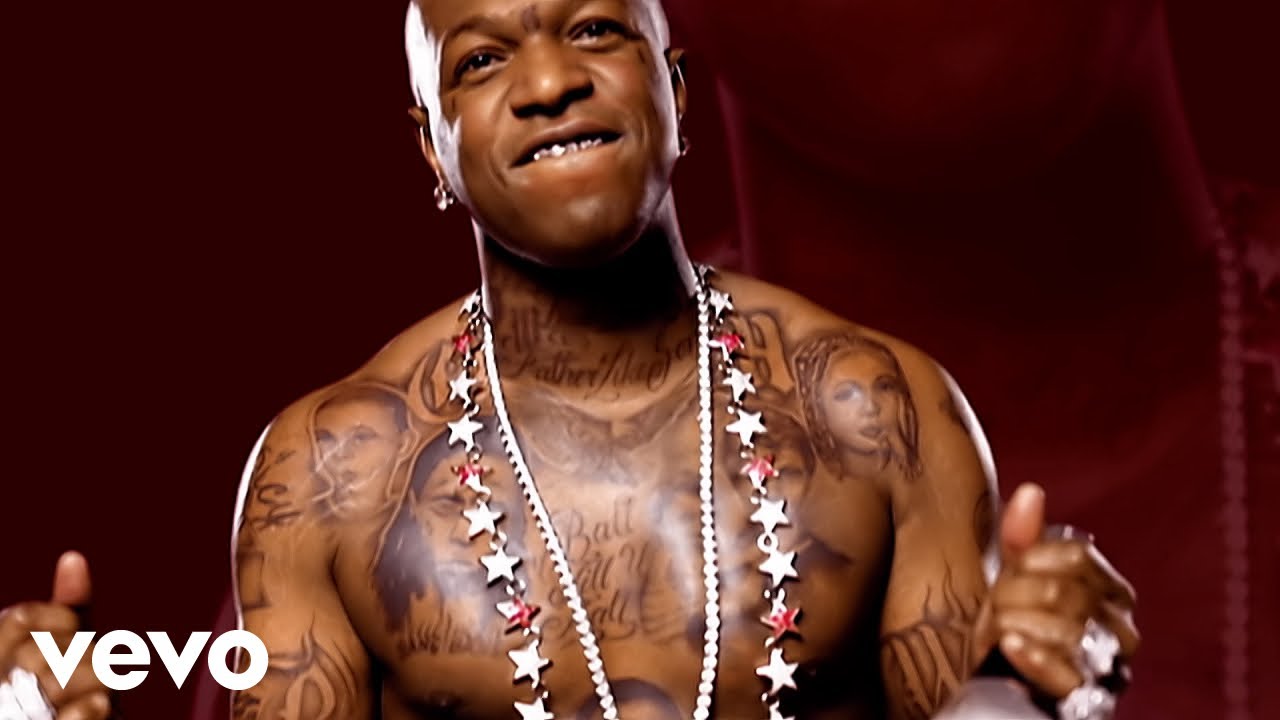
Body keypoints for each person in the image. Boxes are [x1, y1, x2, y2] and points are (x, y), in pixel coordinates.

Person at [0, 1, 1140, 718]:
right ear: (432, 149)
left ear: (676, 92)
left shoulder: (872, 409)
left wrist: (1041, 685)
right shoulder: (331, 475)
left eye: (594, 30)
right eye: (481, 59)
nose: (549, 83)